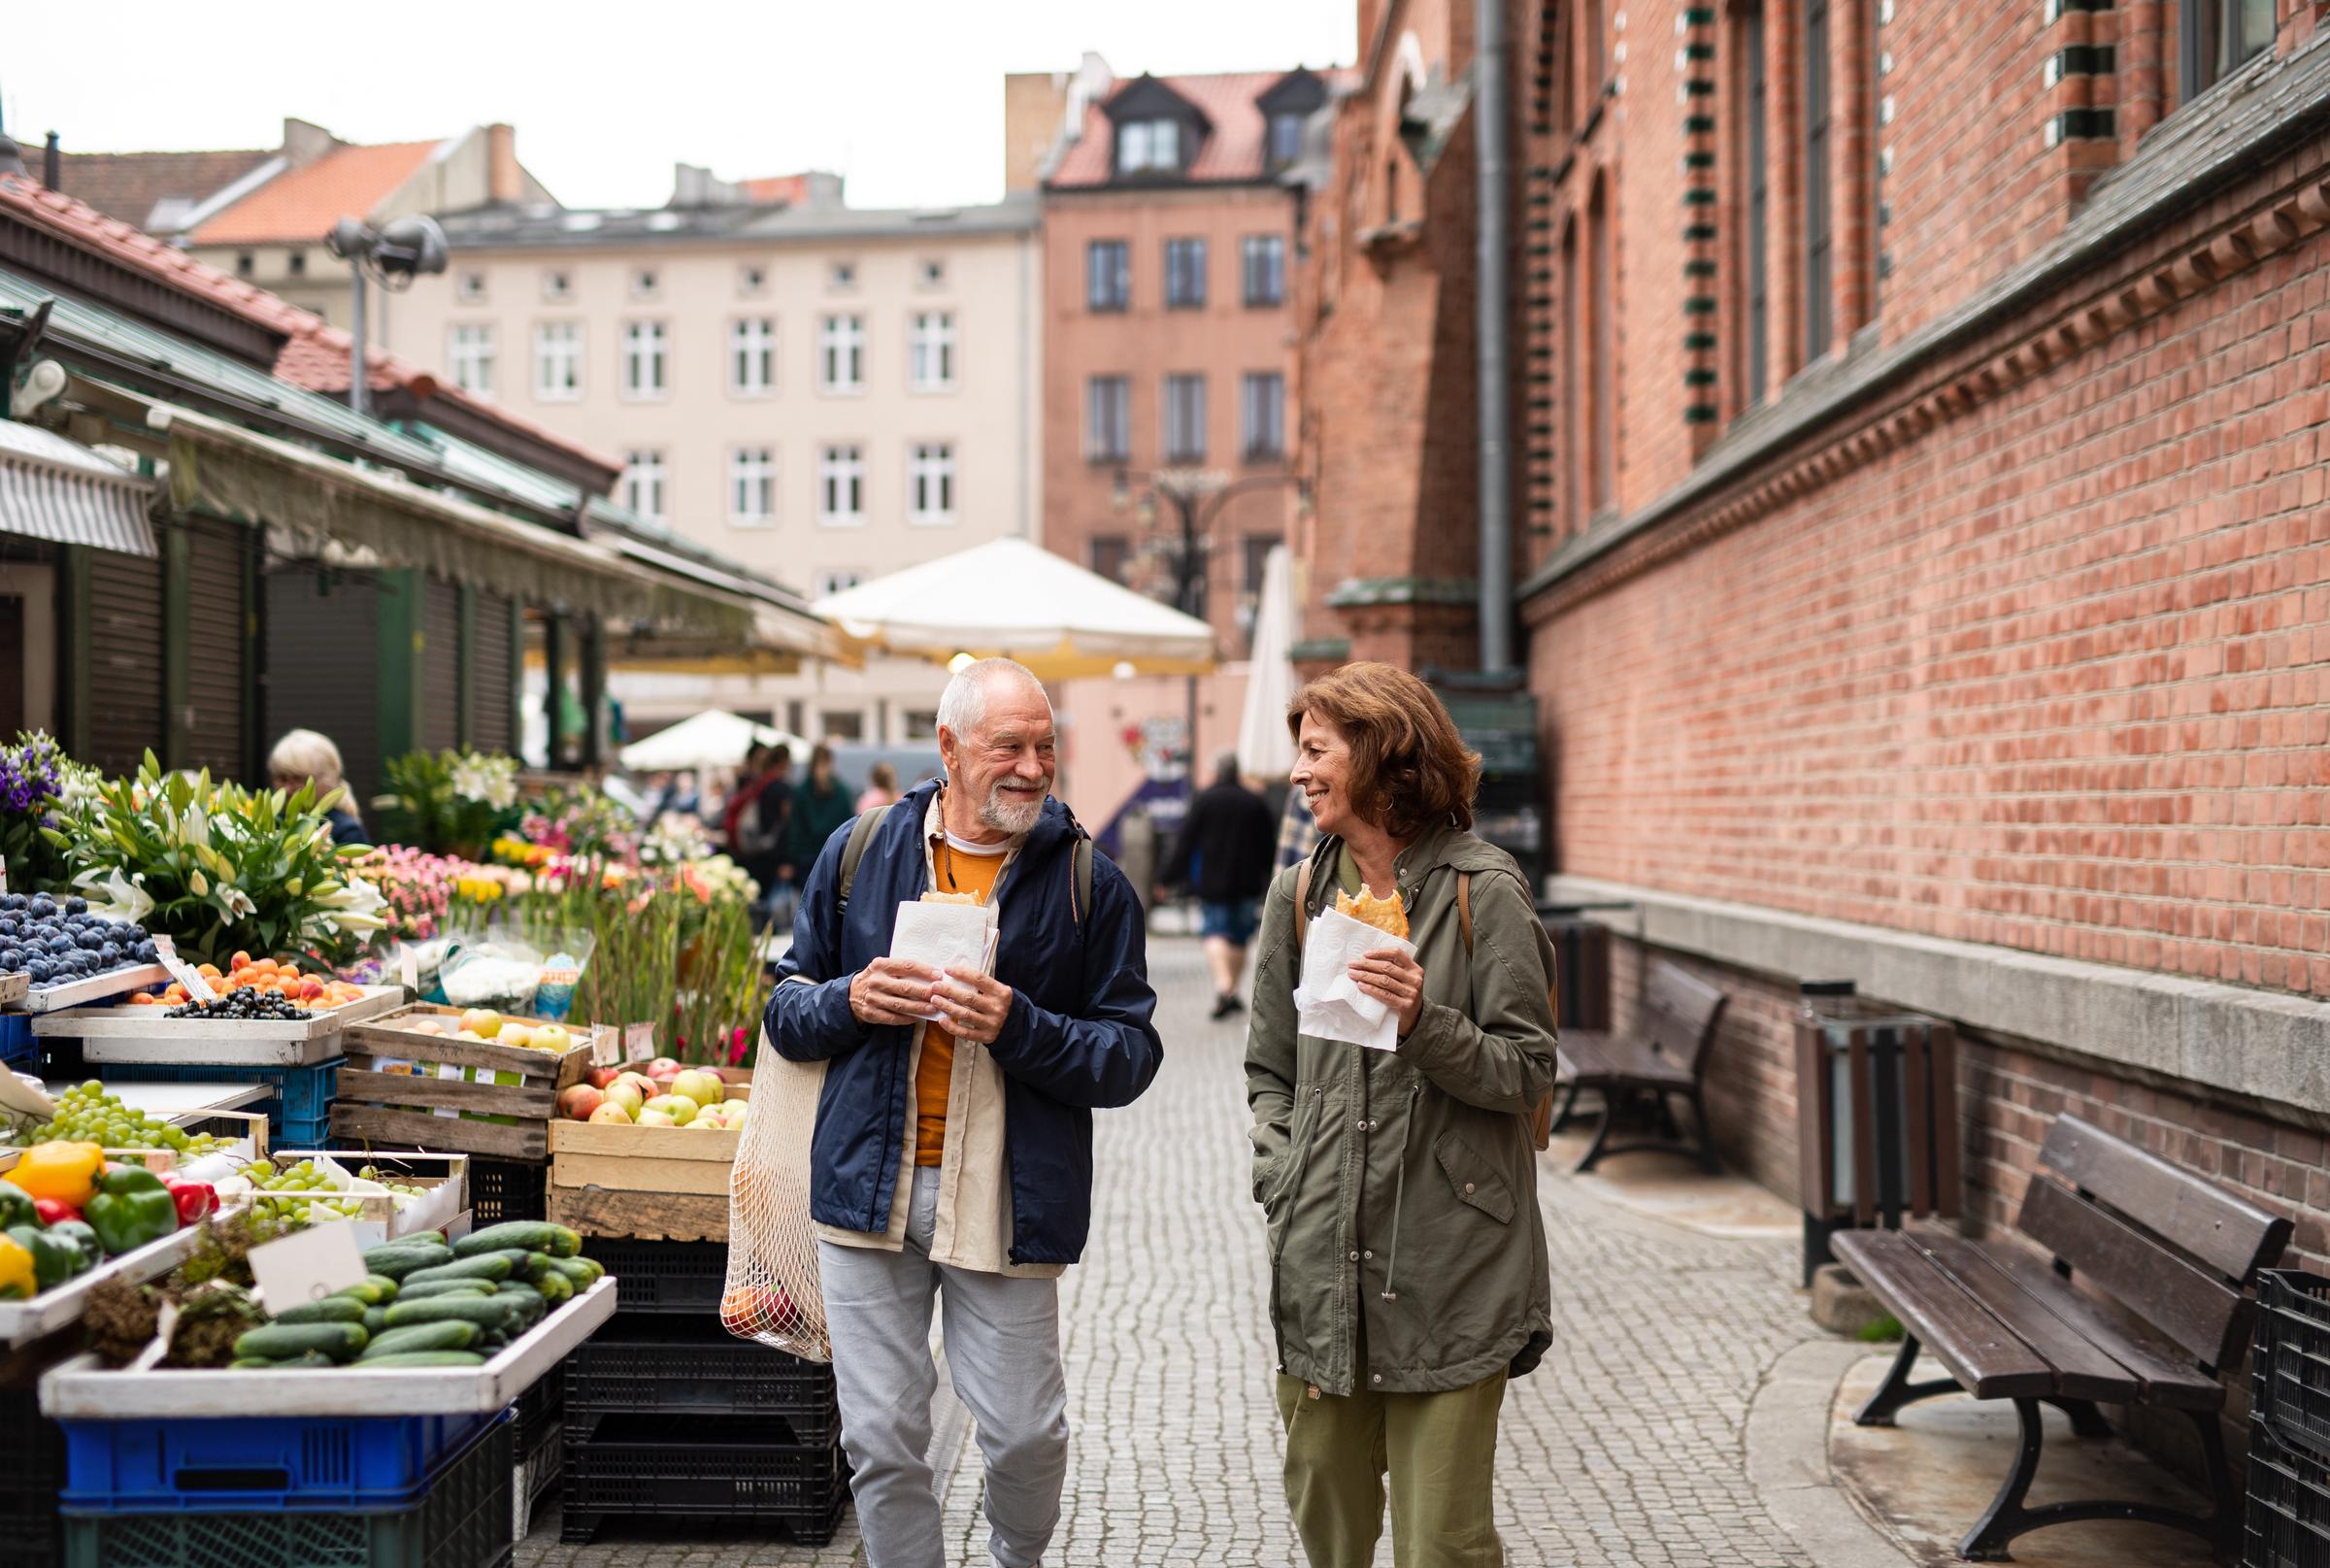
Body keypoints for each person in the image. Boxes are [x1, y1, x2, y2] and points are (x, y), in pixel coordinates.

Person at [768, 657, 1163, 1568]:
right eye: (1008, 746)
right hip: (866, 1191)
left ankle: (1016, 1558)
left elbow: (1131, 1055)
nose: (1031, 766)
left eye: (1045, 746)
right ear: (948, 747)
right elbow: (786, 1009)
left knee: (1027, 1434)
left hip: (1007, 1195)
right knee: (880, 1438)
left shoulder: (1088, 881)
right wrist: (851, 999)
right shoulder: (858, 853)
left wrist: (1019, 1024)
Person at [1246, 662, 1558, 1568]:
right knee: (1327, 1517)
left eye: (1316, 751)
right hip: (1322, 1258)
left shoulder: (1482, 890)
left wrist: (1424, 1022)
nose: (1299, 772)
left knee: (1442, 1547)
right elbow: (1269, 1066)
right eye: (1298, 752)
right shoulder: (1301, 894)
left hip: (1452, 1263)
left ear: (1381, 752)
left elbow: (1528, 1071)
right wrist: (1284, 1171)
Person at [1160, 752, 1279, 1018]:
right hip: (1247, 881)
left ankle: (1224, 987)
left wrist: (1167, 877)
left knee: (1215, 932)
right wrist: (1272, 879)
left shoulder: (1205, 799)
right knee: (1239, 937)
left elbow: (1185, 842)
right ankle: (1232, 990)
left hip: (1212, 881)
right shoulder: (1254, 802)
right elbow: (1269, 847)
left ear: (1216, 772)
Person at [269, 729, 367, 846]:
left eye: (298, 778)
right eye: (282, 778)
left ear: (328, 780)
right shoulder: (270, 823)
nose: (287, 789)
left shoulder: (347, 832)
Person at [783, 743, 854, 885]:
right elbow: (849, 827)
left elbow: (795, 828)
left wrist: (790, 859)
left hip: (808, 856)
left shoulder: (801, 791)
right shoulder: (841, 792)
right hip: (834, 856)